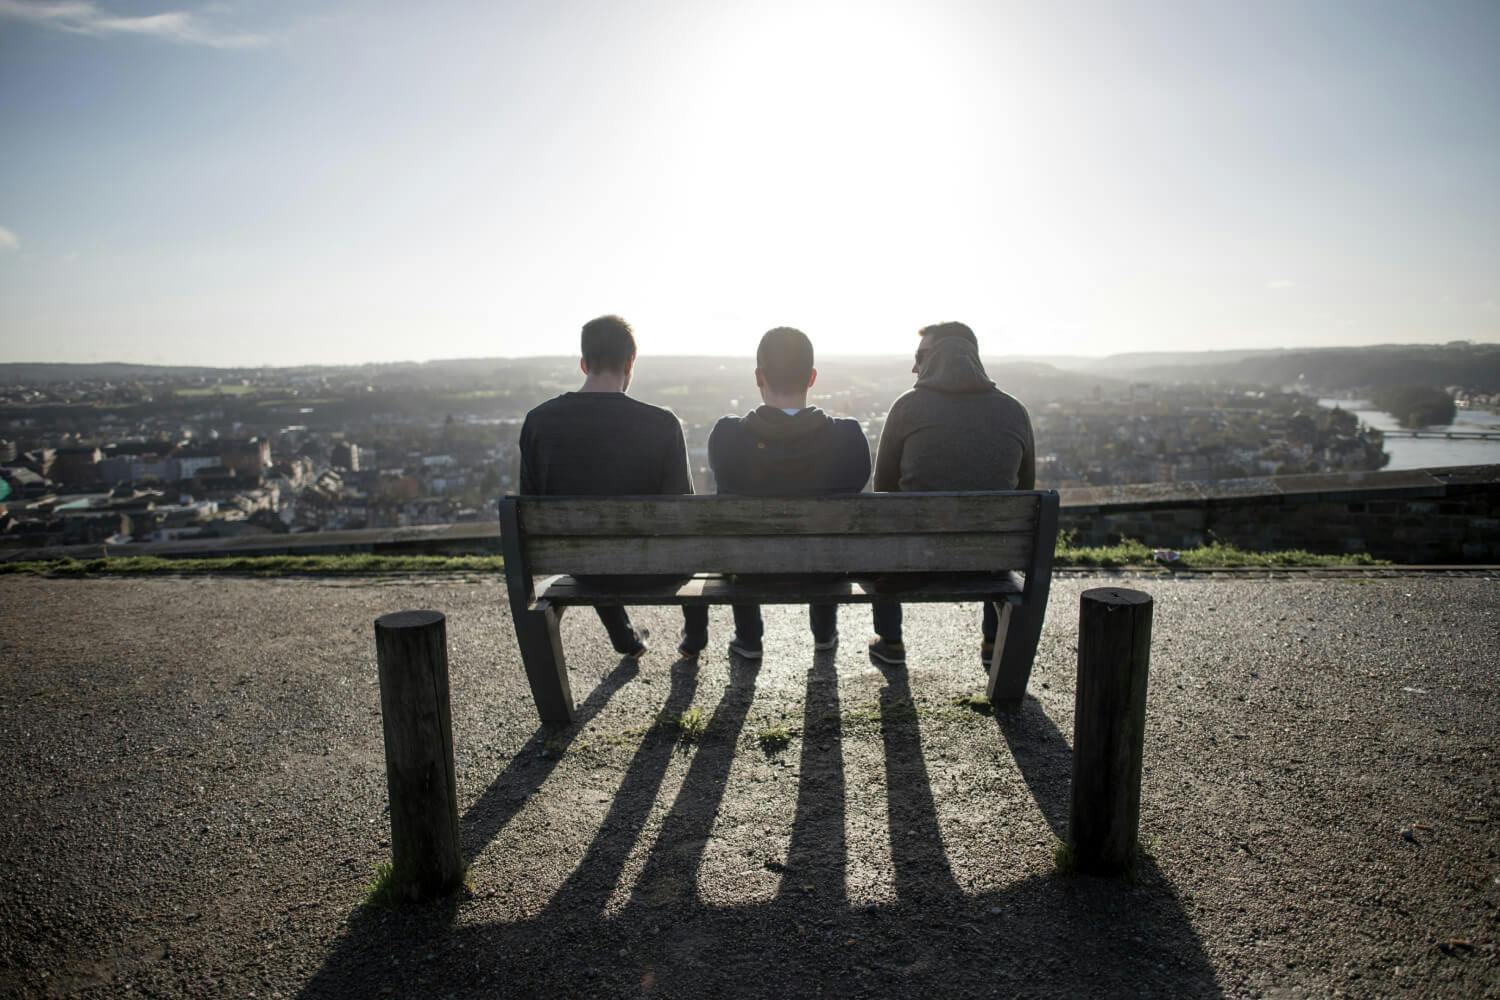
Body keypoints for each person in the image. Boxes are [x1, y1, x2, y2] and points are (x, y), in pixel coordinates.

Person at [519, 315, 709, 659]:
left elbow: (531, 505)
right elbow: (683, 514)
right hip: (658, 570)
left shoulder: (538, 423)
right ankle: (694, 636)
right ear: (630, 363)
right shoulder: (663, 424)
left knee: (594, 549)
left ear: (583, 363)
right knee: (687, 539)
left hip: (585, 568)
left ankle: (625, 638)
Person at [867, 321, 1035, 666]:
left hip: (912, 563)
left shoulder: (907, 407)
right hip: (988, 563)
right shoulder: (1014, 411)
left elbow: (882, 490)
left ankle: (891, 640)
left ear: (941, 355)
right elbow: (1025, 490)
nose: (914, 366)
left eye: (921, 355)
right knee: (993, 535)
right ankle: (993, 643)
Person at [708, 326, 871, 659]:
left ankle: (749, 638)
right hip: (824, 570)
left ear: (758, 376)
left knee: (740, 539)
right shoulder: (849, 438)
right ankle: (825, 635)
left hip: (751, 571)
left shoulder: (727, 436)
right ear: (811, 377)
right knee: (825, 535)